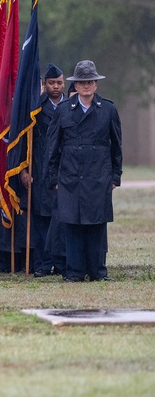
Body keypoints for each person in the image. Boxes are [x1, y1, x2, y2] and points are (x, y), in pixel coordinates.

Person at [46, 60, 122, 282]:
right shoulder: (63, 111)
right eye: (82, 82)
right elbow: (53, 147)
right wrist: (53, 178)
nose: (86, 86)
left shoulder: (108, 109)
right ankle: (75, 272)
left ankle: (98, 271)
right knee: (73, 225)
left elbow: (117, 146)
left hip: (99, 176)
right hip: (70, 177)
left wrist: (115, 176)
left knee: (97, 225)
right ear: (75, 86)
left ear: (96, 84)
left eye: (90, 81)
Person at [21, 63, 66, 277]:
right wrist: (23, 169)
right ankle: (42, 263)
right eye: (51, 83)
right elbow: (23, 141)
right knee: (40, 219)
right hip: (39, 168)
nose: (55, 87)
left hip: (66, 169)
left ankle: (62, 262)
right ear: (45, 85)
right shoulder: (35, 109)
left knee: (63, 219)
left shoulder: (71, 106)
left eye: (59, 83)